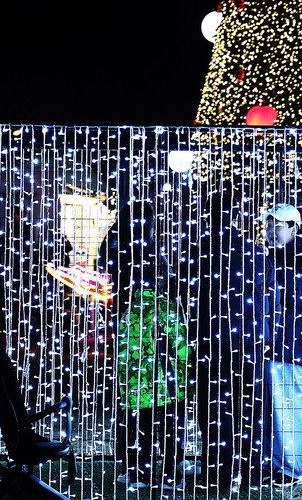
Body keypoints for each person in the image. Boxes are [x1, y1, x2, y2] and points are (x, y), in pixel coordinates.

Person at [186, 195, 267, 492]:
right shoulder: (254, 253)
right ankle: (249, 473)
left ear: (208, 216)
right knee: (250, 407)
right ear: (235, 216)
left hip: (212, 339)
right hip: (249, 339)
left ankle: (216, 474)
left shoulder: (200, 253)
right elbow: (264, 291)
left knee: (215, 408)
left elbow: (187, 292)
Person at [107, 207, 191, 489]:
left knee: (135, 414)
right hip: (163, 368)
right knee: (169, 414)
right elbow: (181, 347)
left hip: (134, 367)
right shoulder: (165, 306)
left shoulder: (116, 252)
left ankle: (136, 471)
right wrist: (184, 368)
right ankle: (169, 473)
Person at [258, 203, 302, 484]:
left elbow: (293, 306)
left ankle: (291, 468)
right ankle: (282, 466)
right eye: (268, 225)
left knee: (288, 411)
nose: (270, 231)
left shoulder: (296, 263)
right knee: (279, 411)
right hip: (281, 346)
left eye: (276, 225)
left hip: (290, 347)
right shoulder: (279, 259)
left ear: (293, 228)